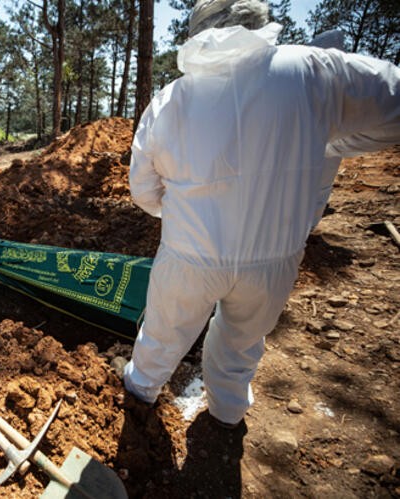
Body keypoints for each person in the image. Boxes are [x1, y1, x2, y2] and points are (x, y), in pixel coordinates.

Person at [123, 0, 400, 428]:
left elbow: (142, 187)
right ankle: (227, 417)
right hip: (275, 258)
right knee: (241, 345)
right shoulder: (312, 70)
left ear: (198, 32)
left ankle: (139, 398)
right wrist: (327, 143)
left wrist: (175, 213)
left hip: (190, 255)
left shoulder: (172, 98)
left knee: (162, 337)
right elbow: (392, 106)